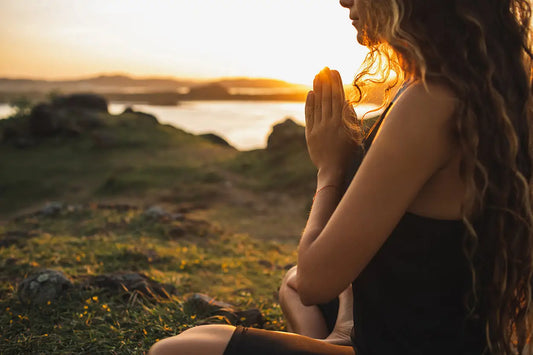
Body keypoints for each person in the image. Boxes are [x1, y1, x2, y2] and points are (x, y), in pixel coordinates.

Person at [150, 0, 533, 353]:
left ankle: (340, 339)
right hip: (436, 335)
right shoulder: (474, 90)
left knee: (177, 349)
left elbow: (319, 280)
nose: (345, 0)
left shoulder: (431, 101)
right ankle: (340, 335)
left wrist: (330, 167)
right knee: (291, 285)